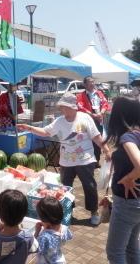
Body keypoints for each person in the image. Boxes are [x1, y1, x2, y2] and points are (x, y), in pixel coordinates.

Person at [17, 92, 111, 226]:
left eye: (64, 107)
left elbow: (96, 136)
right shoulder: (60, 121)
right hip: (66, 162)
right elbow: (46, 131)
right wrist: (29, 128)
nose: (62, 109)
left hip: (85, 160)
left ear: (73, 107)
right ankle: (68, 211)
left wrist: (106, 150)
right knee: (66, 188)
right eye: (61, 107)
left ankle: (94, 211)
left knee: (89, 186)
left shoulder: (85, 118)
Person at [104, 97, 140, 264]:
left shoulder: (128, 136)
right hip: (136, 204)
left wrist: (129, 178)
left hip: (128, 203)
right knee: (132, 248)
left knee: (115, 253)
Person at [34, 197, 73, 264]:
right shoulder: (64, 228)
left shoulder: (45, 237)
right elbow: (69, 236)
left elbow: (34, 249)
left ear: (45, 220)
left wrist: (37, 232)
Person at [76, 76, 109, 164]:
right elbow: (80, 106)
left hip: (99, 119)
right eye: (90, 82)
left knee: (98, 138)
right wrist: (92, 114)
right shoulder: (81, 95)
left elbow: (105, 103)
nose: (92, 84)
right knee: (88, 139)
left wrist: (101, 113)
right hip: (88, 120)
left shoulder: (99, 93)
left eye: (93, 82)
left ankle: (96, 160)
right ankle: (89, 159)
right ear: (85, 84)